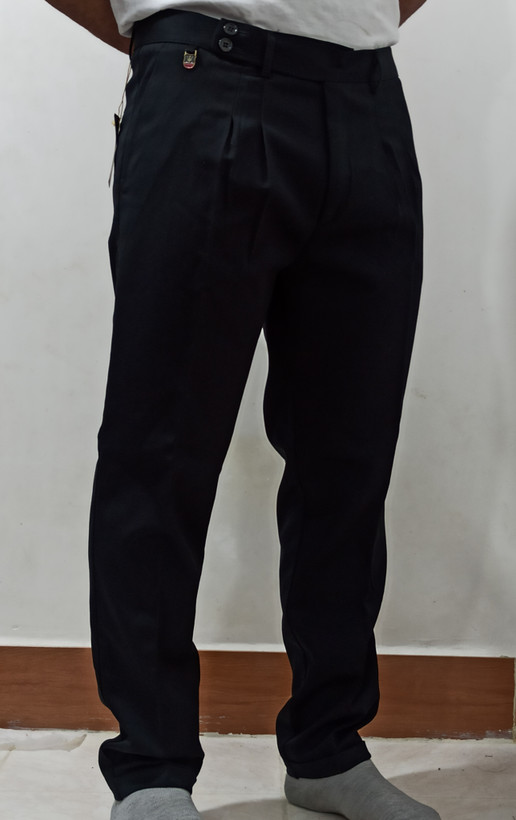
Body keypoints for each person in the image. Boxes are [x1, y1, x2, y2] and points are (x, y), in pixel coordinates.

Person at [44, 1, 440, 819]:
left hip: (366, 100)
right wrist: (166, 28)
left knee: (350, 456)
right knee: (160, 453)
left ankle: (328, 747)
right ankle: (151, 767)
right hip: (201, 81)